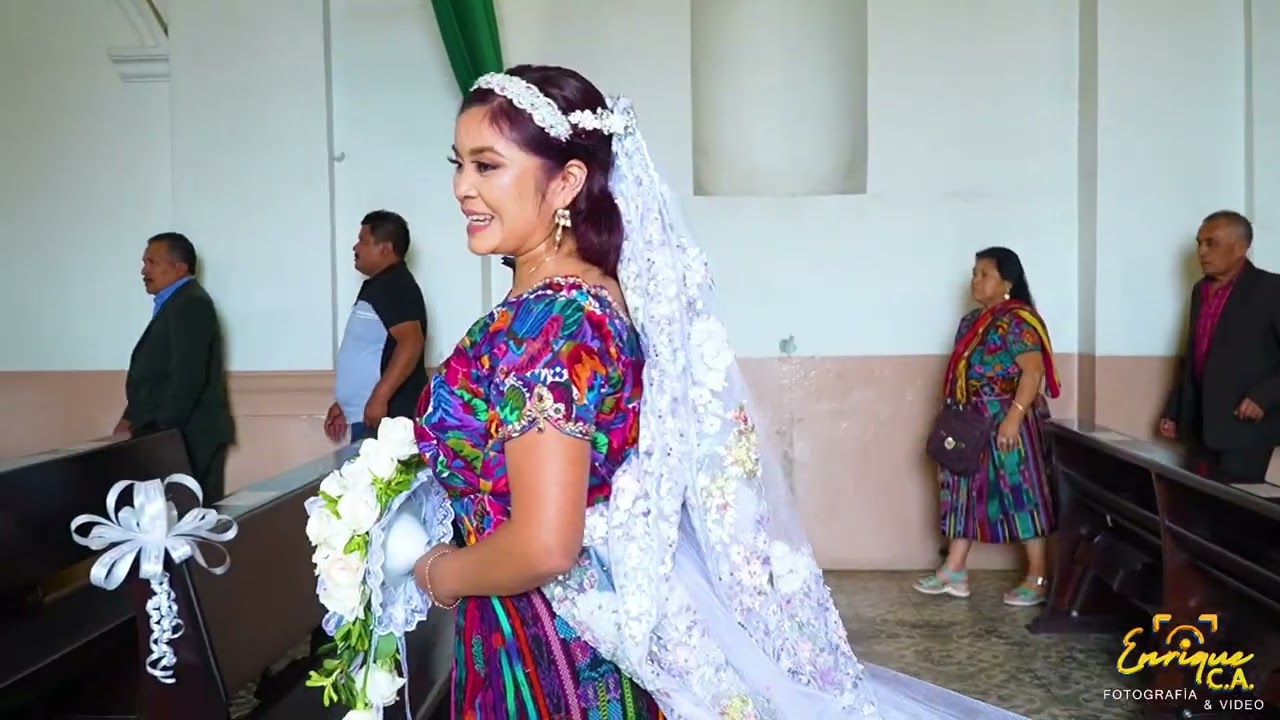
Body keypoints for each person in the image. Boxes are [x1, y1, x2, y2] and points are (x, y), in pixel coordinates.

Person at [392, 65, 1028, 718]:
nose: (462, 187)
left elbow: (545, 545)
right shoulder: (583, 301)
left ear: (567, 181)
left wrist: (433, 574)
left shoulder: (552, 324)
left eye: (486, 165)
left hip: (540, 646)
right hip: (550, 624)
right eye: (459, 164)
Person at [914, 248, 1061, 607]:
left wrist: (1013, 419)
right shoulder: (971, 321)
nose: (976, 280)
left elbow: (1033, 372)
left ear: (1007, 282)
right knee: (961, 490)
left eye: (985, 274)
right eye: (974, 273)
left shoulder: (1017, 321)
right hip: (970, 421)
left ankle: (1038, 576)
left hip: (1007, 420)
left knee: (1020, 493)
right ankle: (955, 570)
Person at [1160, 210, 1280, 483]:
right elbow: (1195, 354)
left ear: (1240, 247)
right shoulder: (1200, 291)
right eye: (1199, 243)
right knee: (1199, 504)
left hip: (1246, 427)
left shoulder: (1271, 289)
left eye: (1211, 243)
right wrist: (1175, 407)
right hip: (1200, 422)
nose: (1202, 251)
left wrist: (1264, 396)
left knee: (1235, 510)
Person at [116, 232, 234, 502]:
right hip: (173, 434)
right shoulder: (176, 303)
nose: (144, 270)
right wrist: (129, 418)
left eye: (152, 262)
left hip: (187, 437)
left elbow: (187, 377)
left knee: (187, 523)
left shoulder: (190, 303)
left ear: (180, 268)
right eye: (144, 262)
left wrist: (162, 435)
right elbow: (157, 375)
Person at [324, 210, 429, 444]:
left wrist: (379, 398)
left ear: (385, 248)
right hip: (367, 416)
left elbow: (411, 343)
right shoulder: (380, 285)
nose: (355, 248)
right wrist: (346, 405)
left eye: (363, 241)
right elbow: (370, 350)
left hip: (386, 418)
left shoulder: (395, 285)